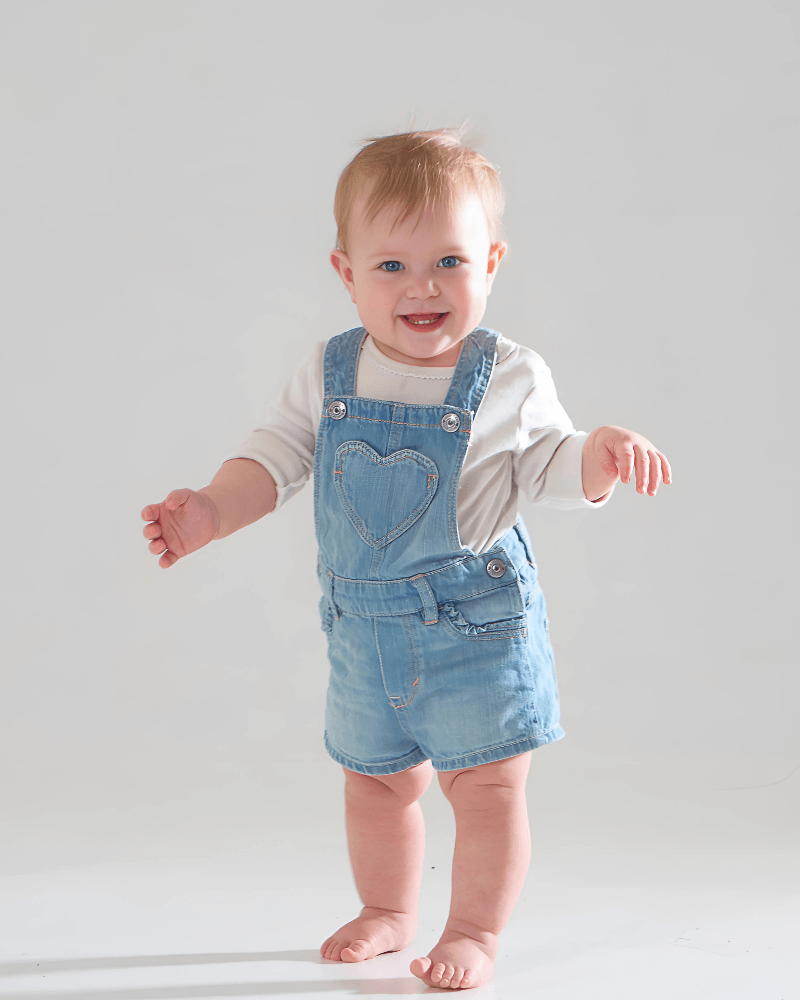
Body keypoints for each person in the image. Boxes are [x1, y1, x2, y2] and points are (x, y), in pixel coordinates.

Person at [141, 129, 672, 991]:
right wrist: (208, 510)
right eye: (390, 266)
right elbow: (272, 457)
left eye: (450, 260)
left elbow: (548, 465)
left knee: (485, 792)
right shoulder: (329, 369)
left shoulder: (509, 376)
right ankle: (388, 911)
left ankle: (473, 931)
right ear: (345, 273)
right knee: (374, 787)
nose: (421, 286)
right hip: (364, 636)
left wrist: (598, 458)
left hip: (476, 635)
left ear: (491, 262)